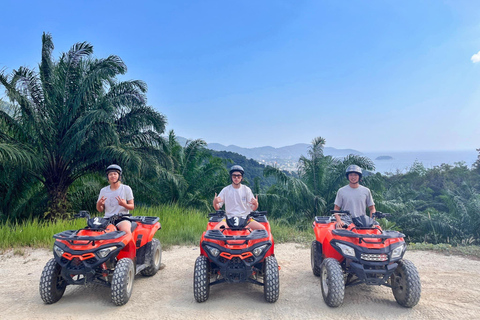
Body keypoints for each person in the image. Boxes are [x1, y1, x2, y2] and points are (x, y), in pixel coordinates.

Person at [213, 165, 265, 231]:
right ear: (231, 177)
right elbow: (217, 207)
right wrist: (215, 202)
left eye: (238, 176)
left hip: (246, 218)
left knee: (262, 229)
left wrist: (256, 204)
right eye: (234, 176)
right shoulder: (225, 190)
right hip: (228, 218)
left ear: (241, 178)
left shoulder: (246, 190)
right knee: (215, 230)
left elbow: (253, 208)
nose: (236, 178)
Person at [333, 164, 376, 229]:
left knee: (375, 231)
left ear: (359, 176)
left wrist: (372, 221)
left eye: (355, 175)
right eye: (351, 175)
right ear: (348, 176)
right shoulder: (341, 191)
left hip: (362, 220)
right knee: (340, 230)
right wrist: (339, 221)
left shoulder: (366, 191)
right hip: (346, 220)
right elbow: (336, 209)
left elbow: (372, 208)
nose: (353, 177)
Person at [96, 164, 135, 234]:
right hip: (107, 219)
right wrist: (99, 204)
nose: (113, 176)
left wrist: (124, 204)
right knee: (96, 233)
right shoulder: (103, 190)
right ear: (107, 177)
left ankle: (132, 245)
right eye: (110, 174)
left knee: (126, 232)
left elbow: (132, 206)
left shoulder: (126, 188)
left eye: (115, 174)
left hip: (122, 218)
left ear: (119, 176)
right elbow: (100, 210)